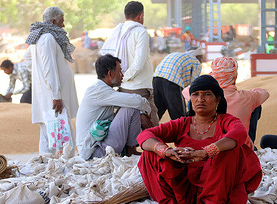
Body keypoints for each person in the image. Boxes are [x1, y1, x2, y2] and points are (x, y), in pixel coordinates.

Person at [137, 75, 262, 204]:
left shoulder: (226, 121)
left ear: (217, 100)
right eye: (195, 94)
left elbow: (239, 133)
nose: (200, 99)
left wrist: (206, 152)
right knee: (149, 154)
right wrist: (166, 151)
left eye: (207, 94)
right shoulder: (182, 123)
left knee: (231, 149)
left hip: (218, 189)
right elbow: (145, 135)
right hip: (185, 190)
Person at [182, 57, 269, 149]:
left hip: (205, 147)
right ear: (235, 76)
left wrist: (208, 82)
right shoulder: (247, 97)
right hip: (237, 147)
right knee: (255, 105)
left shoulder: (202, 96)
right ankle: (248, 144)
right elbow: (264, 93)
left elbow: (185, 91)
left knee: (192, 100)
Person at [76, 54, 151, 160]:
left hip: (97, 146)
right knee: (131, 108)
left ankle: (130, 150)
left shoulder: (100, 90)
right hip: (94, 151)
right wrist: (146, 112)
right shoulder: (99, 91)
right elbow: (137, 101)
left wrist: (142, 113)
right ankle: (131, 151)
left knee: (131, 107)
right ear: (110, 74)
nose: (122, 75)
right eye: (120, 71)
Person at [26, 6, 79, 155]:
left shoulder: (40, 37)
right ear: (54, 20)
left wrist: (39, 79)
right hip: (54, 96)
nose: (63, 25)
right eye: (62, 21)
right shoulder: (48, 38)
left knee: (48, 131)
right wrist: (56, 96)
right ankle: (66, 165)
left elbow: (28, 60)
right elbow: (49, 68)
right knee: (63, 131)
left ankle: (46, 166)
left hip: (48, 93)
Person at [101, 1, 158, 129]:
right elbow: (138, 63)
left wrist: (120, 79)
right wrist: (125, 77)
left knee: (128, 124)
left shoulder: (118, 30)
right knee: (152, 125)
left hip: (123, 87)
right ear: (141, 15)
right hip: (139, 87)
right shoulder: (140, 31)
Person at [153, 47, 204, 120]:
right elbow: (195, 85)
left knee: (157, 111)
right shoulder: (195, 61)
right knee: (179, 114)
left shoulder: (179, 56)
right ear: (197, 56)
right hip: (172, 81)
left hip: (156, 78)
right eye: (201, 57)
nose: (201, 60)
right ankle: (182, 131)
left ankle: (148, 130)